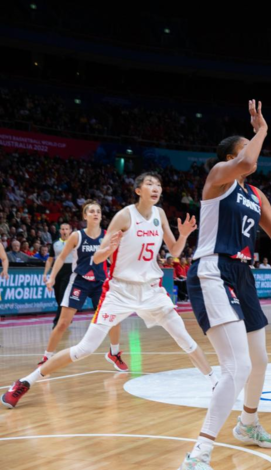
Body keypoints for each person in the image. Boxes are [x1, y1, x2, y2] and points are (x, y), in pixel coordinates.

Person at [1, 173, 216, 409]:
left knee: (184, 339)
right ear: (138, 190)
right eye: (150, 184)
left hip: (152, 291)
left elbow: (174, 249)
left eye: (159, 185)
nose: (156, 188)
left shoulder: (160, 214)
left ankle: (215, 383)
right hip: (120, 291)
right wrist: (110, 248)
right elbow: (97, 256)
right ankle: (25, 382)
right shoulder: (124, 216)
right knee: (85, 348)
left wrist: (184, 235)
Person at [183, 100, 271, 470]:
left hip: (243, 274)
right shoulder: (219, 176)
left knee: (259, 361)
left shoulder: (255, 194)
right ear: (231, 155)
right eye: (245, 145)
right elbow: (248, 163)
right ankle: (199, 452)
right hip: (213, 268)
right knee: (236, 366)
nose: (252, 151)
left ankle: (248, 424)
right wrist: (262, 129)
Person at [40, 201, 127, 371]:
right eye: (92, 211)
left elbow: (113, 259)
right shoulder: (77, 236)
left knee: (113, 318)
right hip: (79, 281)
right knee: (63, 322)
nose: (95, 214)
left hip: (101, 282)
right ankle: (46, 358)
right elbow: (60, 257)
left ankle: (114, 353)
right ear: (85, 216)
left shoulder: (107, 235)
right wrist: (52, 278)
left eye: (98, 211)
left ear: (101, 216)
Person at [44, 223, 75, 329]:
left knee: (62, 296)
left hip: (70, 270)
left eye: (67, 229)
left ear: (70, 230)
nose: (64, 231)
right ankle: (67, 317)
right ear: (60, 231)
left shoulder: (75, 242)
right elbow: (50, 259)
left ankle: (57, 322)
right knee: (58, 297)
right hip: (58, 271)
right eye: (62, 229)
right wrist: (45, 273)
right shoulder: (55, 243)